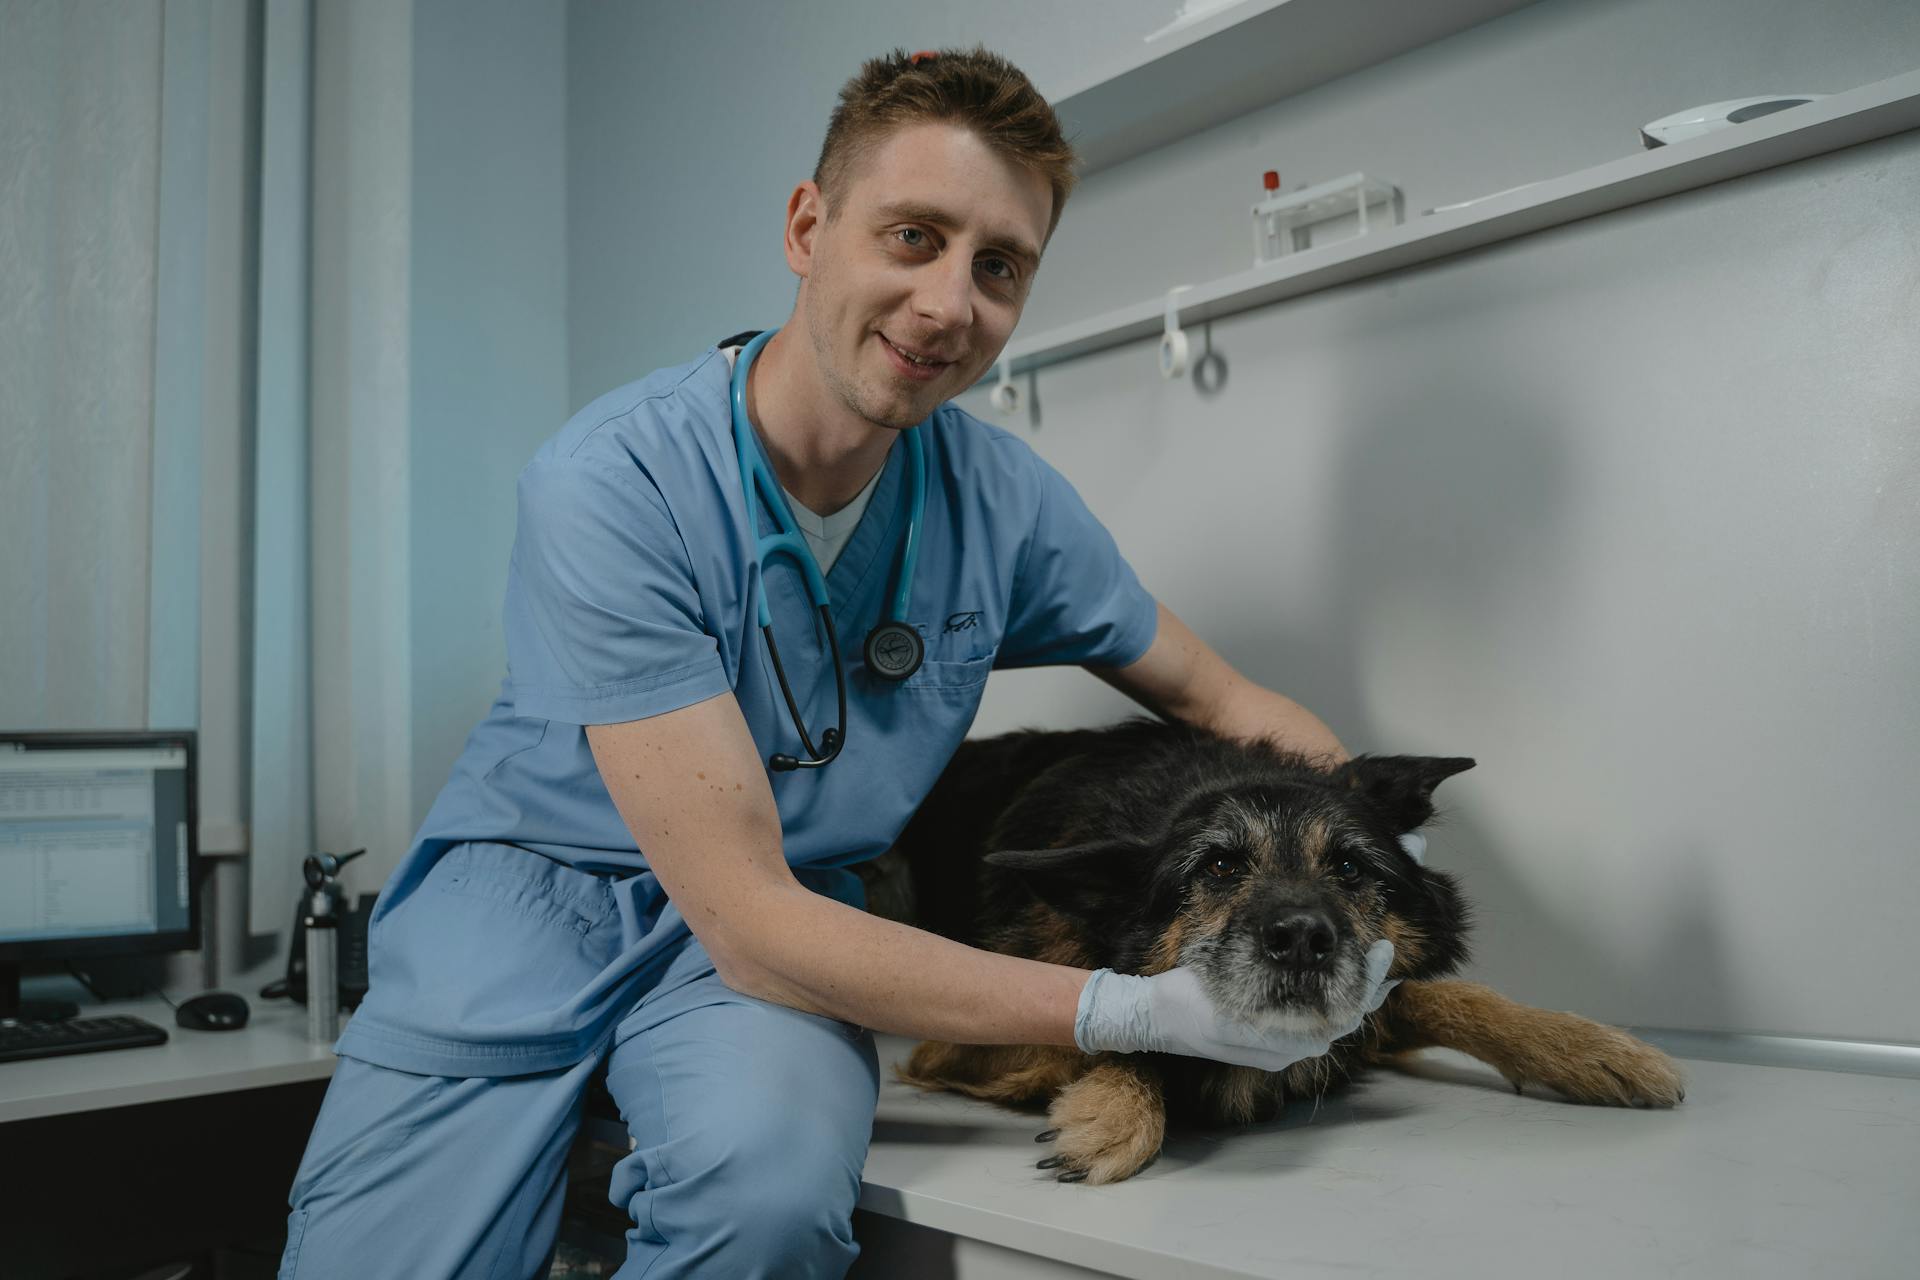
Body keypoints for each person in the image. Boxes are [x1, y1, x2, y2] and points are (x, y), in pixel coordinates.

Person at [277, 46, 1398, 1280]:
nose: (947, 303)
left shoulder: (1008, 507)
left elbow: (1227, 702)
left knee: (767, 1202)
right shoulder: (615, 484)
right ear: (810, 226)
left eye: (998, 266)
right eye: (912, 235)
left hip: (788, 936)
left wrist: (1365, 898)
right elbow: (745, 915)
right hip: (541, 910)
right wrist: (1123, 1009)